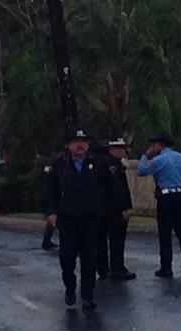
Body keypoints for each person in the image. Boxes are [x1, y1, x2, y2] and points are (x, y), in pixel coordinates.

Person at [43, 127, 111, 311]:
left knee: (90, 259)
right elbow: (50, 191)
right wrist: (52, 212)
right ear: (69, 145)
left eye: (83, 142)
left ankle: (88, 296)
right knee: (67, 259)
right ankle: (70, 288)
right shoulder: (60, 165)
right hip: (68, 219)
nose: (80, 146)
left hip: (90, 218)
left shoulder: (98, 163)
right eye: (75, 142)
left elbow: (109, 188)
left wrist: (103, 210)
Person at [137, 130, 181, 278]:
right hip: (180, 195)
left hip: (166, 197)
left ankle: (166, 267)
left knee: (165, 233)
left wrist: (145, 155)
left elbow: (141, 171)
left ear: (159, 145)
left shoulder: (159, 160)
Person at [97, 138, 137, 281]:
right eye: (119, 148)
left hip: (103, 208)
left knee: (102, 239)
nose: (123, 151)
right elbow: (118, 189)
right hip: (114, 209)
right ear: (112, 149)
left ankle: (103, 268)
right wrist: (125, 207)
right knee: (116, 239)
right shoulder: (112, 165)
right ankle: (117, 268)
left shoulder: (103, 163)